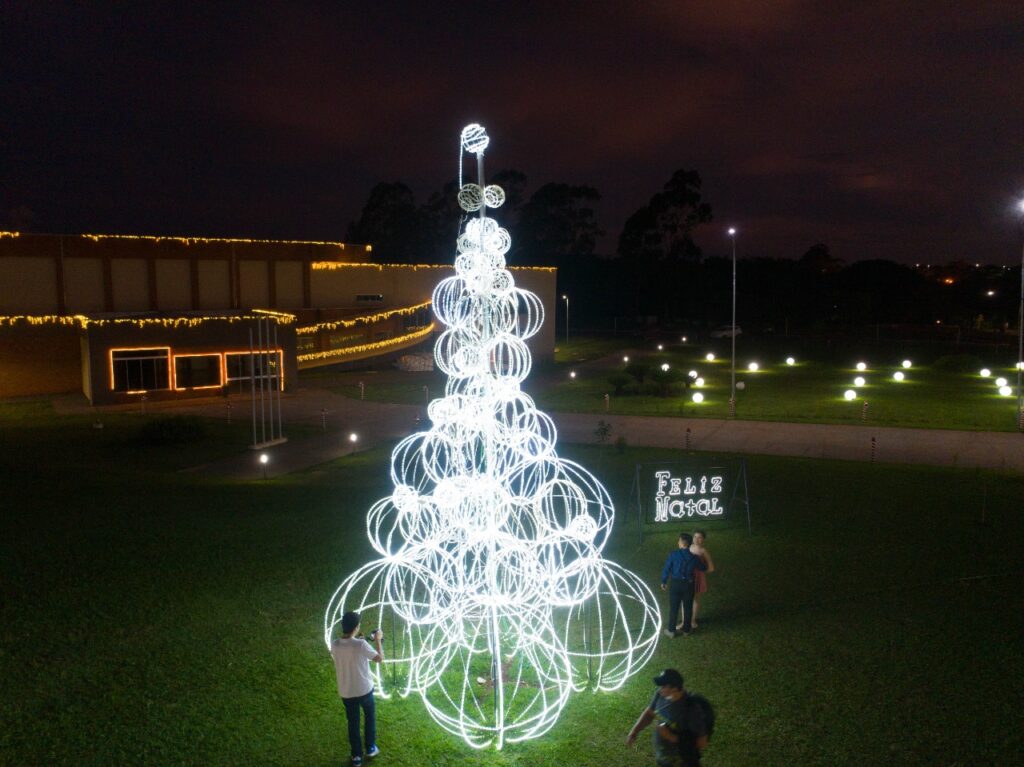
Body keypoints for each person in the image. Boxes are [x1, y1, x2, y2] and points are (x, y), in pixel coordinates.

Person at [330, 611, 384, 766]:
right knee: (369, 717)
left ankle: (356, 756)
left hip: (347, 692)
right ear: (356, 627)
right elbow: (379, 658)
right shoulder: (361, 645)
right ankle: (371, 747)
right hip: (364, 690)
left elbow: (347, 651)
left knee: (352, 723)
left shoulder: (334, 644)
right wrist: (378, 640)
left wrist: (358, 641)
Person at [626, 668, 709, 767]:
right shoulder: (661, 695)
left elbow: (701, 742)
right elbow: (649, 713)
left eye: (663, 686)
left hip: (683, 761)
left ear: (674, 689)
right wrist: (634, 731)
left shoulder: (691, 709)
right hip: (664, 757)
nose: (659, 689)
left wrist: (670, 736)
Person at [660, 532, 708, 637]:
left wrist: (663, 581)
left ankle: (671, 630)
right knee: (688, 607)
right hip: (689, 584)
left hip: (676, 584)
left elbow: (667, 568)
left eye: (679, 540)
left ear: (682, 543)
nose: (678, 542)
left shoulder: (673, 554)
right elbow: (703, 568)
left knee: (674, 607)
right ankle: (686, 630)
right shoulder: (694, 557)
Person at [682, 529, 715, 630]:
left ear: (703, 540)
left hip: (697, 578)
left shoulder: (703, 551)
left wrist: (700, 573)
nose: (697, 539)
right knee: (685, 599)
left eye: (699, 537)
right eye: (695, 537)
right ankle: (684, 621)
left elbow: (711, 568)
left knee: (695, 599)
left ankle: (692, 620)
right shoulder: (688, 547)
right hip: (687, 577)